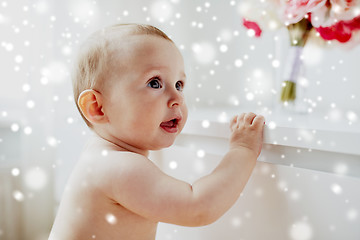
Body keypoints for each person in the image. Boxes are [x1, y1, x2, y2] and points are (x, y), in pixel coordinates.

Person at [49, 23, 265, 240]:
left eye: (179, 84)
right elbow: (198, 208)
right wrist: (242, 149)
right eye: (155, 83)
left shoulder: (102, 156)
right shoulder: (118, 166)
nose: (178, 98)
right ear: (97, 107)